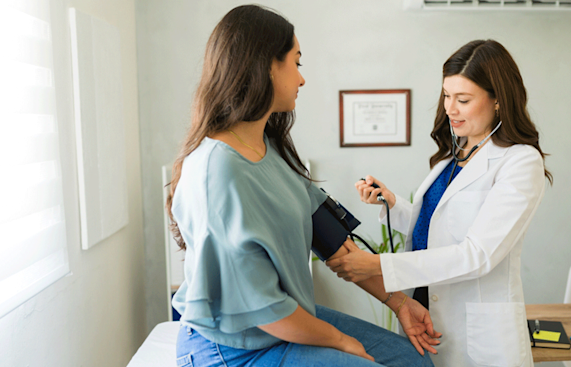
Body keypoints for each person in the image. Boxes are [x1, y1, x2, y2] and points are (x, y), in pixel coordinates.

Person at [166, 5, 436, 367]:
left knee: (409, 360)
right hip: (233, 347)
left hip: (278, 324)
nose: (302, 79)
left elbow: (335, 245)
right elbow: (264, 310)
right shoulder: (218, 172)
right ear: (265, 65)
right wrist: (341, 342)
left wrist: (399, 302)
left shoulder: (268, 148)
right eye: (296, 63)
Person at [327, 39, 552, 367]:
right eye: (447, 95)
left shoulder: (519, 162)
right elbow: (438, 227)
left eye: (463, 99)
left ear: (499, 100)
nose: (450, 108)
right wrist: (394, 205)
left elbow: (478, 254)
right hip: (423, 312)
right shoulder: (453, 155)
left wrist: (378, 265)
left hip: (477, 335)